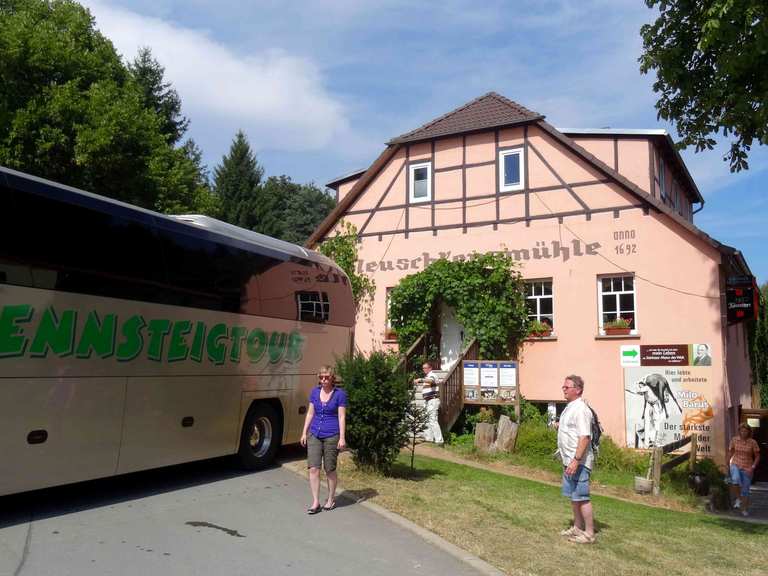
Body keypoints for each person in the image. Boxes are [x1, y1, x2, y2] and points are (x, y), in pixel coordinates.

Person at [300, 365, 347, 515]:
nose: (323, 380)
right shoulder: (314, 392)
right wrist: (304, 432)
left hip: (332, 435)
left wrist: (342, 437)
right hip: (314, 434)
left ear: (332, 377)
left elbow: (341, 416)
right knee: (313, 468)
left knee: (329, 469)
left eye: (326, 377)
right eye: (321, 377)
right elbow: (310, 413)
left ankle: (331, 499)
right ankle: (315, 501)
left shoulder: (340, 394)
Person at [556, 375, 595, 544]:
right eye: (563, 386)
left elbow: (585, 437)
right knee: (574, 496)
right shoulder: (570, 407)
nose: (563, 389)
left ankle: (589, 533)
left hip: (578, 461)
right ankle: (578, 527)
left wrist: (576, 460)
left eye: (567, 387)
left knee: (582, 497)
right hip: (569, 461)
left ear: (577, 389)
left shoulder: (581, 409)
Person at [625, 373, 682, 448]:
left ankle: (654, 442)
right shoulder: (647, 389)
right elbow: (638, 393)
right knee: (649, 422)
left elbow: (637, 391)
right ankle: (649, 443)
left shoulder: (646, 388)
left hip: (655, 405)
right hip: (651, 405)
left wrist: (631, 388)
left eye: (640, 385)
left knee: (655, 423)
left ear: (642, 384)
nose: (640, 386)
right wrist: (628, 390)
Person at [728, 423, 761, 517]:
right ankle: (738, 499)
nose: (743, 432)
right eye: (742, 431)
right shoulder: (734, 440)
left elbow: (757, 456)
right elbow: (731, 452)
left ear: (749, 432)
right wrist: (727, 463)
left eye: (745, 431)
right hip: (735, 464)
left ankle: (744, 509)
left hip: (748, 467)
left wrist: (753, 467)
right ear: (739, 431)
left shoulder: (753, 442)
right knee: (735, 480)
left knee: (745, 490)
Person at [414, 361, 443, 445]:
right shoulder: (427, 376)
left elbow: (431, 381)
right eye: (423, 368)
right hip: (427, 401)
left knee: (433, 420)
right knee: (426, 419)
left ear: (430, 368)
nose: (424, 370)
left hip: (433, 400)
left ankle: (439, 440)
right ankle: (429, 438)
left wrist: (420, 379)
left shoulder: (432, 375)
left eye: (425, 368)